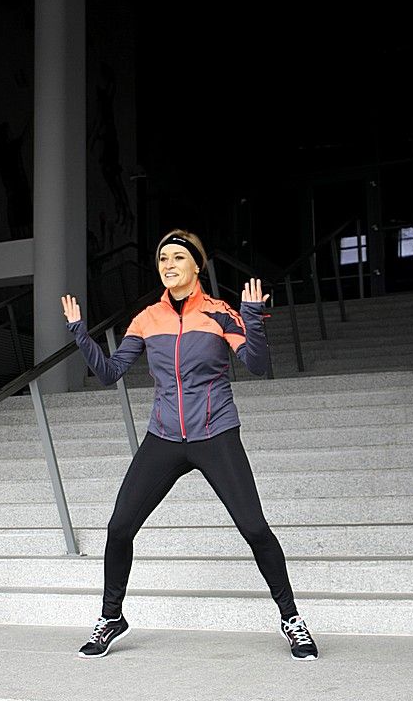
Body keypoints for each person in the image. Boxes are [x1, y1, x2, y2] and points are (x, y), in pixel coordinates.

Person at [61, 229, 318, 661]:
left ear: (197, 265)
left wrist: (252, 317)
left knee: (254, 528)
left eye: (178, 257)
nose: (168, 265)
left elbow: (257, 364)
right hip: (164, 436)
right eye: (163, 259)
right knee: (119, 528)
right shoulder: (147, 319)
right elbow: (109, 372)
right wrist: (80, 334)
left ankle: (291, 619)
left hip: (215, 433)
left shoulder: (220, 313)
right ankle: (111, 617)